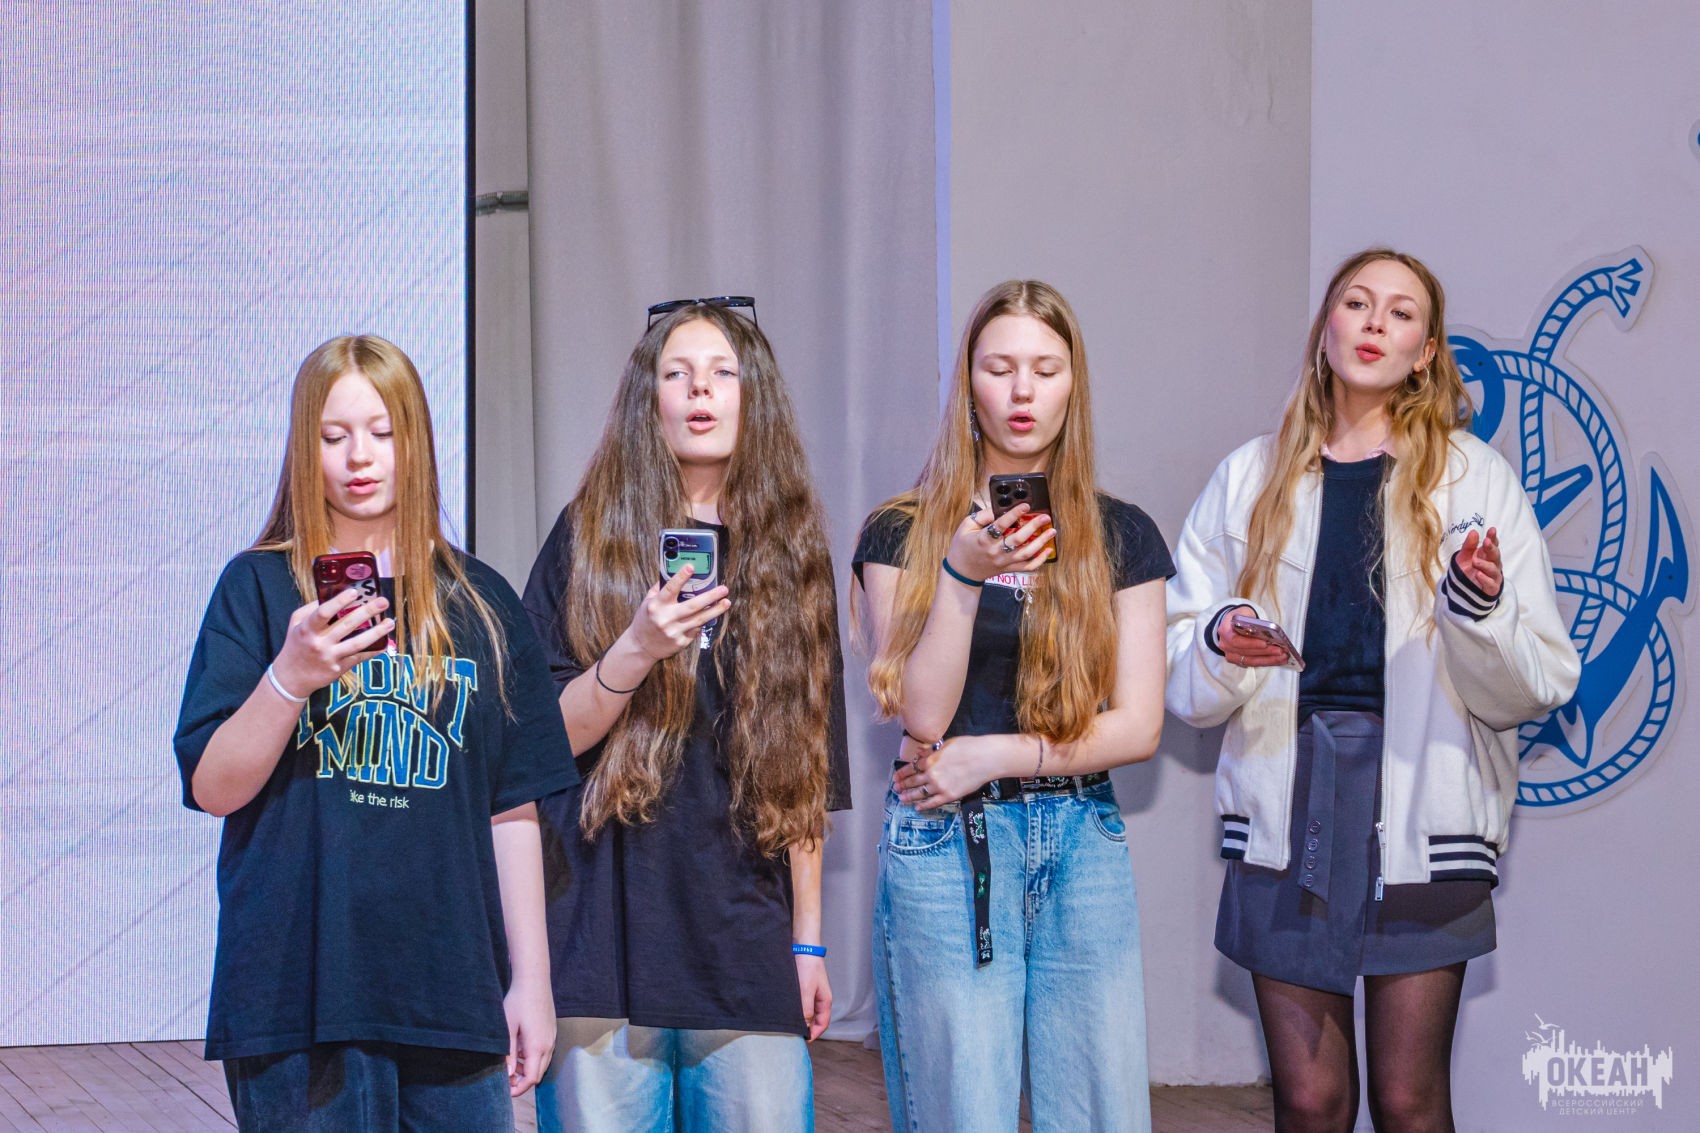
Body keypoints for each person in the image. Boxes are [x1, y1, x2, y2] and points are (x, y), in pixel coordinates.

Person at [1165, 249, 1581, 1132]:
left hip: (1426, 803)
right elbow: (1183, 672)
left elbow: (1538, 680)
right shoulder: (1249, 477)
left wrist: (1478, 609)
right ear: (1327, 326)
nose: (1374, 323)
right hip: (1289, 801)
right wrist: (1221, 638)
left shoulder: (1475, 479)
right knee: (1310, 1101)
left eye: (1400, 312)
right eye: (1357, 303)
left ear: (1426, 352)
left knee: (1409, 1101)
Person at [174, 334, 575, 1131]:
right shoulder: (259, 587)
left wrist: (533, 981)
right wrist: (290, 675)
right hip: (297, 997)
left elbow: (513, 808)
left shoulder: (484, 601)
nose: (360, 456)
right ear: (305, 448)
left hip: (451, 994)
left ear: (416, 440)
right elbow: (213, 786)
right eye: (334, 436)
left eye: (383, 432)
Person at [523, 298, 851, 1133]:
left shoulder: (792, 557)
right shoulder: (585, 539)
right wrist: (635, 648)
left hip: (743, 943)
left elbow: (807, 774)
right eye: (677, 373)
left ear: (754, 396)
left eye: (721, 373)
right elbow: (541, 739)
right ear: (650, 400)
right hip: (599, 943)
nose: (700, 390)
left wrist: (808, 942)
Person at [852, 279, 1172, 1132]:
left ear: (1074, 385)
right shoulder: (901, 531)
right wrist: (962, 575)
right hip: (946, 842)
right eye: (999, 368)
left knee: (1101, 1109)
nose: (1022, 390)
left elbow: (1139, 725)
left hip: (1083, 836)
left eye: (1045, 368)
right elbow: (922, 716)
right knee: (965, 1107)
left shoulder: (1122, 534)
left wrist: (999, 752)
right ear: (969, 383)